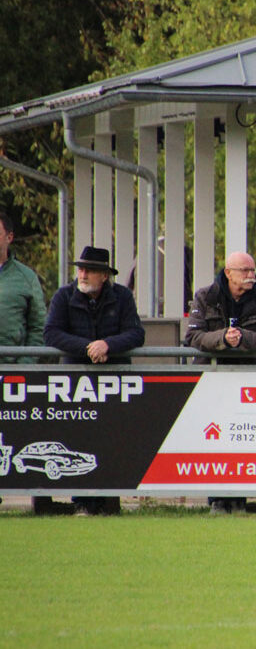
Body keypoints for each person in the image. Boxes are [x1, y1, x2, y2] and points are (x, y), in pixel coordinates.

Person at [44, 246, 145, 516]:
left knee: (111, 438)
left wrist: (107, 345)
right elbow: (51, 334)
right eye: (80, 269)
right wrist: (89, 347)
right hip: (76, 383)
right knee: (78, 437)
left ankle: (108, 500)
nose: (83, 274)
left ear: (104, 276)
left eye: (89, 270)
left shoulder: (122, 297)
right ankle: (82, 501)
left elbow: (136, 334)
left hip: (114, 382)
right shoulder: (64, 296)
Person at [186, 251, 256, 515]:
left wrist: (242, 338)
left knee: (242, 437)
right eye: (245, 271)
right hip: (211, 380)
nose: (251, 276)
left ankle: (238, 498)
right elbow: (192, 336)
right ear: (228, 273)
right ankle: (217, 499)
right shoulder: (205, 296)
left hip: (245, 380)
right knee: (214, 439)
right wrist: (223, 338)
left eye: (253, 271)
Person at [0, 212, 46, 364]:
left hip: (11, 371)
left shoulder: (27, 277)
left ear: (9, 237)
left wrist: (25, 364)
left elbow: (38, 327)